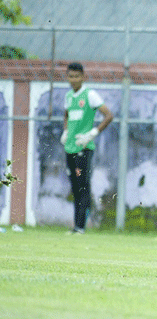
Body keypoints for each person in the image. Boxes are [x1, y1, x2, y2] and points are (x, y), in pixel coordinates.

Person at [61, 62, 114, 234]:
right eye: (71, 76)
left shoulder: (90, 95)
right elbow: (67, 114)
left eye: (77, 76)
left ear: (83, 77)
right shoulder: (69, 96)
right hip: (70, 147)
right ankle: (77, 226)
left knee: (82, 185)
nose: (73, 79)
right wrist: (66, 130)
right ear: (67, 77)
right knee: (75, 186)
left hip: (83, 148)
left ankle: (80, 227)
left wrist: (92, 133)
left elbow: (108, 115)